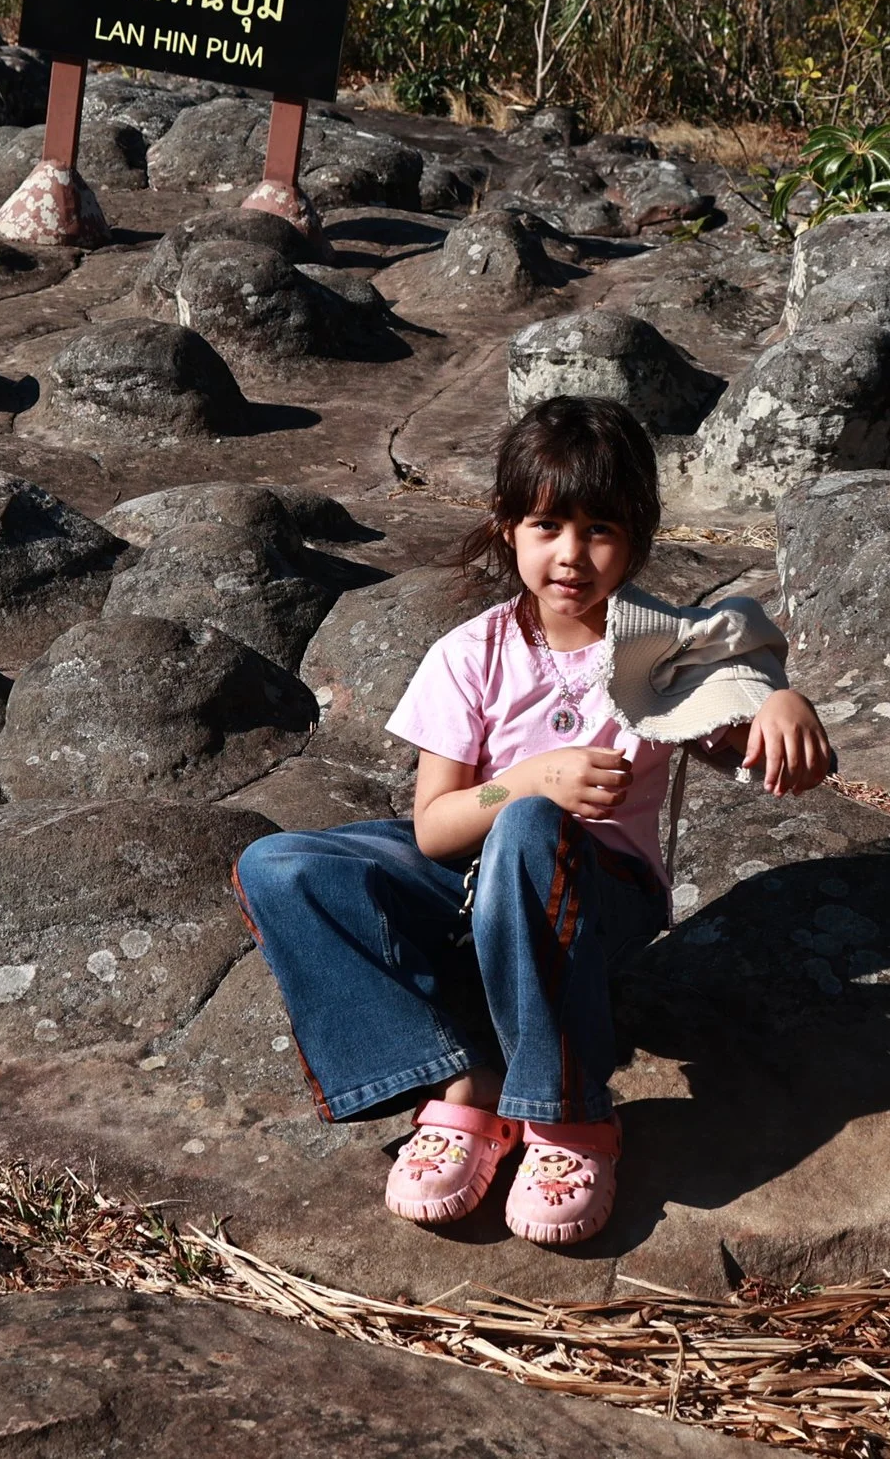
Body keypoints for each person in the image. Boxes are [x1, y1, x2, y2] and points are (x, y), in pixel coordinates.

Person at [231, 395, 833, 1247]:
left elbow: (743, 693)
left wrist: (780, 700)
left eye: (601, 530)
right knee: (278, 866)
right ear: (507, 525)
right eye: (548, 526)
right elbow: (435, 829)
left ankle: (568, 1112)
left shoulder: (660, 649)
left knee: (526, 830)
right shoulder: (469, 653)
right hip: (464, 876)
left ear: (638, 536)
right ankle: (463, 1080)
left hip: (596, 899)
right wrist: (523, 782)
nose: (572, 556)